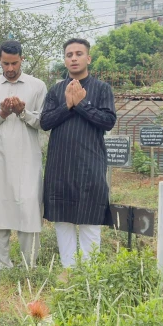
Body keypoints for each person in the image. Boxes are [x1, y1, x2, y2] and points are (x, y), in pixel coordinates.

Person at [40, 38, 116, 271]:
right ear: (65, 60)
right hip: (59, 165)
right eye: (69, 54)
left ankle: (89, 274)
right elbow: (45, 122)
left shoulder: (102, 89)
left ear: (88, 58)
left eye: (79, 54)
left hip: (90, 164)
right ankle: (69, 270)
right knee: (63, 220)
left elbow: (108, 121)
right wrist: (67, 105)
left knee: (90, 218)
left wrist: (81, 104)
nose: (73, 58)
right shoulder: (56, 90)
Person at [0, 41, 47, 270]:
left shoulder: (37, 86)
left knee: (29, 209)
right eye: (5, 63)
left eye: (14, 63)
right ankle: (1, 267)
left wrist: (22, 112)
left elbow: (43, 122)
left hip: (27, 159)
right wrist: (2, 113)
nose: (10, 68)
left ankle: (29, 266)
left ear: (22, 59)